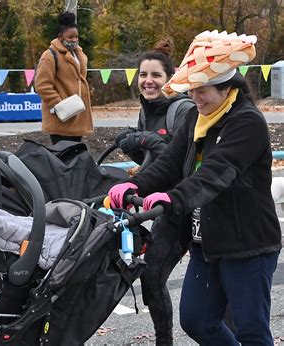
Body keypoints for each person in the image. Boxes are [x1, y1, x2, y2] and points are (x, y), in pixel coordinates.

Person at [109, 30, 281, 345]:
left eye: (202, 90)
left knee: (251, 331)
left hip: (247, 244)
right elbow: (170, 163)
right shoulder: (197, 118)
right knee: (197, 320)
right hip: (207, 241)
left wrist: (173, 198)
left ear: (226, 87)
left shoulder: (247, 123)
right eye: (192, 89)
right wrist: (134, 184)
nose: (195, 97)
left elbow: (216, 174)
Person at [113, 39, 196, 345]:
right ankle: (164, 341)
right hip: (166, 210)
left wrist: (151, 142)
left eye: (156, 75)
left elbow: (176, 162)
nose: (148, 81)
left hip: (192, 206)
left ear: (170, 78)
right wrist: (134, 145)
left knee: (215, 287)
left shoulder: (183, 109)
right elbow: (152, 165)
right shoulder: (146, 112)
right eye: (143, 75)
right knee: (151, 276)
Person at [34, 12, 93, 145]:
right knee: (63, 160)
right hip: (61, 119)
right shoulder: (49, 55)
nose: (74, 40)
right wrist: (59, 105)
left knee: (76, 158)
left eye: (76, 37)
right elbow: (42, 86)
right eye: (70, 37)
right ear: (60, 37)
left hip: (78, 116)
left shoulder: (79, 54)